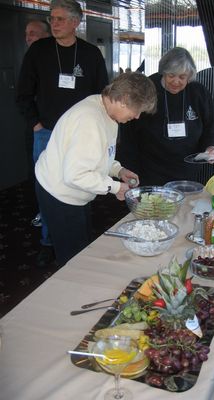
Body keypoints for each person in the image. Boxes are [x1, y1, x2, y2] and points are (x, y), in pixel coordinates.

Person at [17, 0, 109, 267]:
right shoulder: (39, 51)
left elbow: (101, 95)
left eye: (59, 19)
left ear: (75, 22)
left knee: (81, 182)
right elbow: (23, 93)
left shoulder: (91, 54)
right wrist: (36, 124)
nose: (53, 24)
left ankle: (78, 237)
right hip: (46, 132)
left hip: (83, 135)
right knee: (48, 187)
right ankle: (49, 241)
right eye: (52, 19)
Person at [35, 72, 157, 267]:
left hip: (74, 190)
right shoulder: (89, 121)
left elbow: (100, 155)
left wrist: (119, 170)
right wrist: (116, 188)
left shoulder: (105, 109)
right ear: (124, 100)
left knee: (82, 248)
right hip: (59, 193)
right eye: (137, 110)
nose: (137, 116)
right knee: (73, 260)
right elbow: (75, 175)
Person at [117, 47, 214, 186]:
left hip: (188, 174)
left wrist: (212, 146)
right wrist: (129, 171)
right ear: (163, 71)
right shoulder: (147, 89)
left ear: (189, 75)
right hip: (150, 172)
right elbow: (129, 135)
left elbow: (212, 126)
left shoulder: (198, 93)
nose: (176, 81)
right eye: (171, 75)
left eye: (182, 77)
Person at [23, 20, 51, 228]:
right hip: (41, 130)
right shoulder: (30, 58)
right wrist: (36, 125)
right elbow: (22, 96)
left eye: (33, 33)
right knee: (41, 176)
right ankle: (44, 219)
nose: (28, 37)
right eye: (27, 34)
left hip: (67, 130)